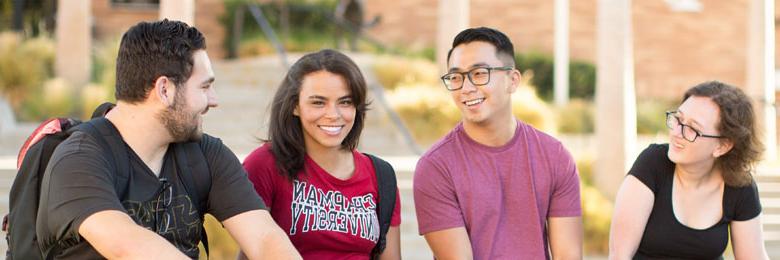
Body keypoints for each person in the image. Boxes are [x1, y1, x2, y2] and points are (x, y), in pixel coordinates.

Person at [35, 19, 301, 259]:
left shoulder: (206, 155)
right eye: (205, 87)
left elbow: (265, 239)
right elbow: (128, 247)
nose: (214, 100)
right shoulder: (78, 160)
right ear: (164, 89)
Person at [413, 27, 583, 259]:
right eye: (456, 77)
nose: (466, 87)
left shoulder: (555, 156)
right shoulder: (435, 168)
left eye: (480, 73)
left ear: (512, 81)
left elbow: (568, 256)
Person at [242, 49, 402, 259]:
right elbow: (253, 247)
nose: (333, 115)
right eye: (318, 102)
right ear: (295, 106)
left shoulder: (381, 176)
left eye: (345, 102)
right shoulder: (265, 165)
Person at [609, 81, 770, 260]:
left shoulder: (740, 186)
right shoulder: (652, 163)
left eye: (692, 128)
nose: (677, 132)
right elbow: (619, 256)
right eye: (678, 119)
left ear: (722, 146)